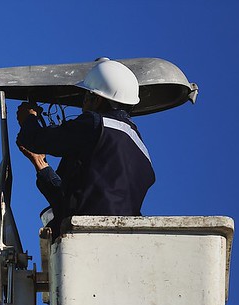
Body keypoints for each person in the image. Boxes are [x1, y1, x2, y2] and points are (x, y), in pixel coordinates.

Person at [16, 58, 155, 235]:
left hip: (85, 234)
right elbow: (77, 197)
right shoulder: (141, 150)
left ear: (96, 99)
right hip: (124, 238)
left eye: (86, 97)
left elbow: (32, 139)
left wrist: (28, 119)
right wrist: (41, 165)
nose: (83, 107)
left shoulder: (96, 124)